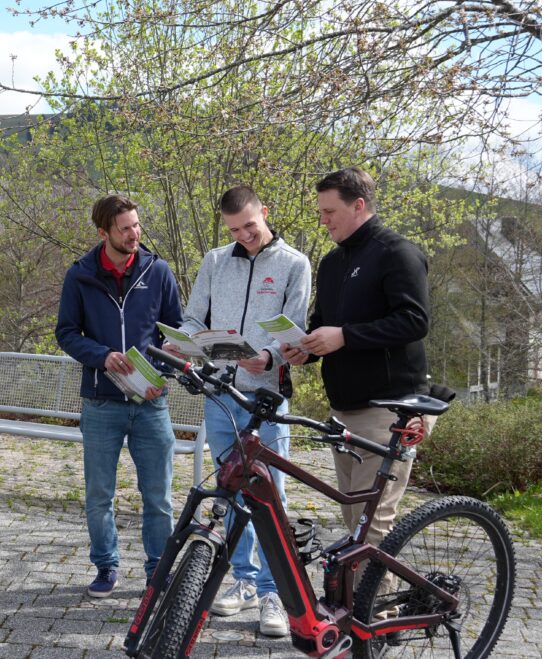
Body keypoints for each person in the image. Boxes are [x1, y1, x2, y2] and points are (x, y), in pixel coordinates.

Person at [169, 185, 311, 636]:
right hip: (220, 393)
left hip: (266, 398)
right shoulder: (214, 261)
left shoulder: (295, 263)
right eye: (234, 230)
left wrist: (270, 356)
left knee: (270, 495)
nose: (244, 235)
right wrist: (185, 341)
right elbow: (195, 318)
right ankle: (245, 580)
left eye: (250, 225)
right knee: (229, 492)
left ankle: (274, 593)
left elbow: (296, 328)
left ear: (264, 212)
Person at [281, 166, 434, 553]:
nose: (323, 220)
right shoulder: (332, 263)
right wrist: (304, 349)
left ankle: (376, 597)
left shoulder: (398, 253)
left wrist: (345, 336)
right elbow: (323, 325)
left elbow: (415, 321)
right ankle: (374, 591)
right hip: (343, 413)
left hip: (389, 411)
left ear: (359, 205)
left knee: (370, 530)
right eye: (321, 212)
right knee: (355, 523)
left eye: (330, 211)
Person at [55, 193, 184, 598]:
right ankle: (106, 566)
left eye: (136, 225)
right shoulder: (80, 275)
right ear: (104, 232)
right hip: (100, 403)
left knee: (158, 497)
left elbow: (175, 332)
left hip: (151, 403)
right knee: (99, 496)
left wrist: (163, 373)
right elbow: (66, 333)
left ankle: (157, 570)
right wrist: (102, 356)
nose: (134, 234)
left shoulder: (158, 271)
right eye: (125, 228)